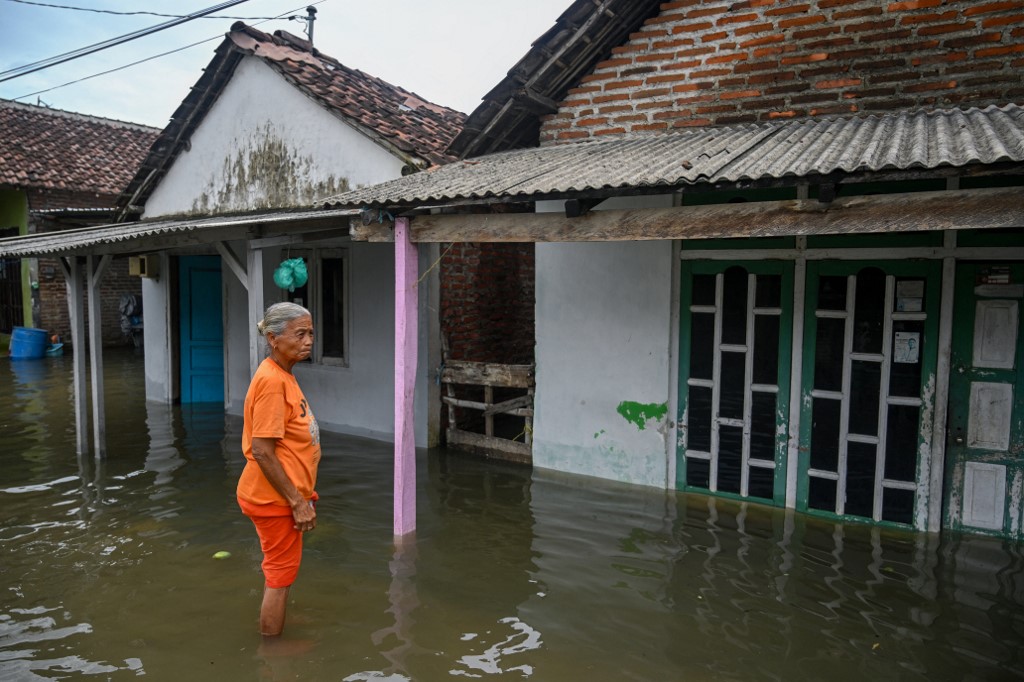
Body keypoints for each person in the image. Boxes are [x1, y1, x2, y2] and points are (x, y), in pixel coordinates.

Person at [237, 302, 321, 637]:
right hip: (274, 499)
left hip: (279, 495)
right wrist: (297, 502)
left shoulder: (283, 375)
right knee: (280, 575)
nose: (308, 340)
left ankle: (276, 615)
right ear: (273, 338)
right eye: (299, 334)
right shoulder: (272, 381)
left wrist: (304, 492)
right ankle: (273, 650)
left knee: (280, 572)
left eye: (310, 333)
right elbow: (262, 450)